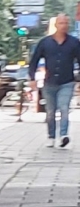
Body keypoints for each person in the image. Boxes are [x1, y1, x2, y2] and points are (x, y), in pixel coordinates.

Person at [32, 16, 80, 146]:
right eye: (61, 23)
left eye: (66, 23)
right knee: (50, 112)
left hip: (67, 82)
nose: (63, 25)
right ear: (56, 25)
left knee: (64, 108)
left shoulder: (74, 43)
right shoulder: (45, 42)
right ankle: (51, 136)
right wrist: (32, 78)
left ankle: (63, 135)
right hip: (49, 83)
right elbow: (34, 60)